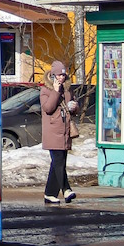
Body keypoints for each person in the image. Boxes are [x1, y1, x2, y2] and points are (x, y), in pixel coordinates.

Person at [41, 60, 79, 205]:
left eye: (63, 75)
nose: (62, 78)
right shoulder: (46, 90)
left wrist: (74, 107)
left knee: (58, 162)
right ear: (53, 75)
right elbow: (48, 108)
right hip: (52, 131)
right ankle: (66, 189)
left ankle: (49, 194)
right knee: (58, 161)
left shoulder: (68, 89)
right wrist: (56, 92)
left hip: (65, 131)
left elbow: (75, 108)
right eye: (59, 75)